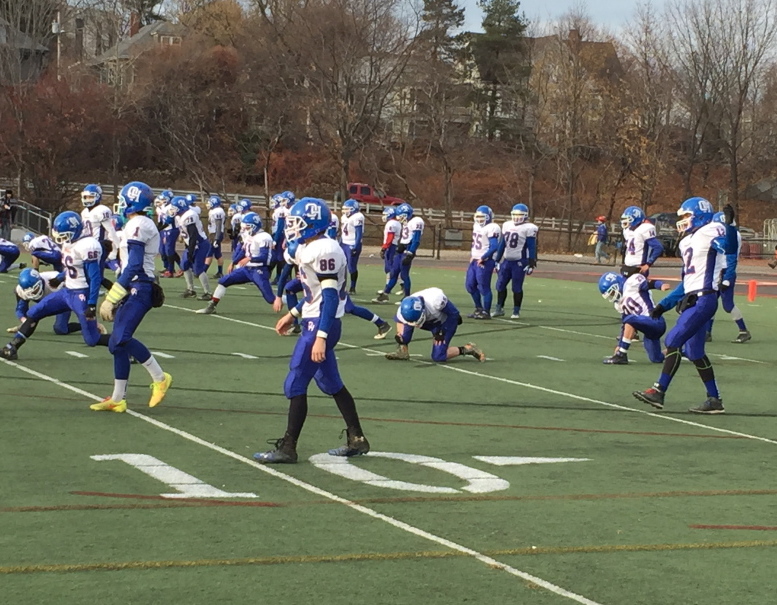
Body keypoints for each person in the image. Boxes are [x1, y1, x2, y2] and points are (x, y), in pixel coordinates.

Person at [254, 197, 370, 464]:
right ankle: (357, 438)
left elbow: (329, 299)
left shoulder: (324, 249)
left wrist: (320, 337)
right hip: (316, 321)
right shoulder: (315, 247)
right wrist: (293, 314)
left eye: (297, 222)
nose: (293, 227)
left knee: (295, 381)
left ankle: (288, 447)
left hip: (320, 325)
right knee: (330, 383)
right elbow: (315, 295)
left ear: (312, 223)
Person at [633, 197, 726, 414]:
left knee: (673, 340)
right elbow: (687, 283)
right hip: (693, 298)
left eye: (686, 216)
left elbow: (727, 247)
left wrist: (728, 230)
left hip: (705, 298)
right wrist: (664, 305)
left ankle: (659, 391)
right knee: (694, 352)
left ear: (699, 215)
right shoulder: (686, 242)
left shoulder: (712, 229)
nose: (682, 220)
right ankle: (714, 399)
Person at [95, 181, 172, 413]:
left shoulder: (138, 224)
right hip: (134, 285)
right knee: (116, 346)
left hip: (141, 286)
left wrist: (112, 296)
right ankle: (118, 398)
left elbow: (135, 265)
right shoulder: (137, 223)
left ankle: (160, 378)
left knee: (121, 338)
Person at [1, 211, 103, 360]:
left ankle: (126, 347)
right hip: (67, 291)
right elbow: (71, 268)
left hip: (80, 294)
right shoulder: (69, 244)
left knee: (92, 339)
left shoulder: (88, 245)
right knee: (34, 313)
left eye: (64, 233)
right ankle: (12, 347)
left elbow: (95, 277)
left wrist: (92, 304)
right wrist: (61, 277)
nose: (61, 238)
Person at [197, 212, 275, 315]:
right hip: (247, 269)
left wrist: (249, 259)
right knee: (223, 281)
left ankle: (295, 305)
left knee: (271, 299)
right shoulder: (249, 236)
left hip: (259, 270)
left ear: (254, 226)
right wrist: (233, 262)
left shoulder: (264, 237)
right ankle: (212, 305)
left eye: (247, 227)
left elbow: (265, 257)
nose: (245, 230)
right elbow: (243, 251)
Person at [386, 287, 486, 362]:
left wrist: (442, 331)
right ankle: (402, 351)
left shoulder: (436, 300)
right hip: (427, 320)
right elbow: (400, 320)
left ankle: (468, 349)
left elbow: (454, 314)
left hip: (444, 322)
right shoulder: (404, 309)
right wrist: (400, 337)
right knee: (404, 337)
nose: (414, 325)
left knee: (438, 357)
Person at [598, 271, 670, 365]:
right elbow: (625, 326)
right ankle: (678, 350)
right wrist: (620, 345)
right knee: (656, 358)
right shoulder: (619, 304)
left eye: (612, 292)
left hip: (655, 321)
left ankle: (622, 356)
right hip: (648, 331)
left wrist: (660, 285)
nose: (612, 295)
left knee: (629, 319)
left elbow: (648, 284)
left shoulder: (631, 283)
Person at [9, 268, 106, 337]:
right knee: (33, 315)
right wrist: (25, 321)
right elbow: (20, 309)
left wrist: (89, 319)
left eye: (35, 289)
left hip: (63, 301)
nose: (32, 293)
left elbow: (74, 298)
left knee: (60, 329)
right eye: (29, 291)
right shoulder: (21, 291)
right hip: (46, 304)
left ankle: (87, 324)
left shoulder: (54, 279)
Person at [706, 208, 751, 344]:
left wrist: (727, 278)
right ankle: (707, 332)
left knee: (728, 305)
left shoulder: (731, 236)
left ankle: (743, 331)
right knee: (710, 302)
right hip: (719, 271)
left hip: (725, 272)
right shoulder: (728, 235)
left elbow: (731, 258)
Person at [373, 202, 424, 303]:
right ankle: (385, 294)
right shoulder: (407, 222)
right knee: (394, 272)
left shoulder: (416, 221)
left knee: (404, 274)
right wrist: (401, 245)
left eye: (400, 216)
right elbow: (406, 236)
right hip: (403, 248)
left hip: (409, 249)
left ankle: (407, 296)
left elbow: (416, 240)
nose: (399, 218)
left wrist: (410, 253)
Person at [494, 203, 537, 319]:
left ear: (525, 215)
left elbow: (532, 247)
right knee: (500, 285)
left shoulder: (529, 228)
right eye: (515, 214)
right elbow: (502, 244)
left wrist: (531, 263)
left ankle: (516, 311)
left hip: (519, 261)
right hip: (507, 260)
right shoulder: (507, 225)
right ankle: (499, 308)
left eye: (520, 214)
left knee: (516, 287)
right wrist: (497, 260)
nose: (517, 217)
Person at [168, 196, 211, 300]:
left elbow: (193, 235)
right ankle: (190, 290)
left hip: (199, 243)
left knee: (198, 268)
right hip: (191, 244)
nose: (172, 210)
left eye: (174, 207)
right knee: (184, 265)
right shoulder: (179, 216)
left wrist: (191, 251)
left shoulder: (189, 215)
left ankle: (208, 293)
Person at [465, 205, 501, 319]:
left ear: (489, 217)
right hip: (475, 259)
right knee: (470, 285)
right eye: (478, 217)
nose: (480, 219)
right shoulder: (476, 226)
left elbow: (494, 246)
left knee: (483, 287)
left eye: (483, 217)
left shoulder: (492, 227)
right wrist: (473, 255)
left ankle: (486, 311)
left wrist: (484, 257)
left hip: (485, 261)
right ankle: (478, 308)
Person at [81, 184, 120, 269]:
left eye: (90, 197)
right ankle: (116, 268)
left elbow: (111, 230)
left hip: (99, 246)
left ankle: (118, 268)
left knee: (96, 274)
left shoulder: (102, 210)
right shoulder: (84, 212)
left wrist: (117, 247)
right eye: (86, 197)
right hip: (88, 246)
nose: (88, 199)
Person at [620, 206, 663, 276]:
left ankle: (659, 284)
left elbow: (658, 248)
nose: (626, 221)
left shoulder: (644, 229)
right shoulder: (627, 230)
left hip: (638, 266)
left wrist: (648, 264)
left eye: (629, 219)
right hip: (627, 265)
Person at [340, 198, 364, 294]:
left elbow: (359, 234)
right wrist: (340, 242)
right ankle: (342, 286)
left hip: (352, 243)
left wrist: (356, 246)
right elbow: (342, 231)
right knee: (341, 265)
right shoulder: (344, 217)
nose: (345, 211)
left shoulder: (358, 216)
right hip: (344, 243)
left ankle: (353, 287)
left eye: (347, 209)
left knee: (351, 266)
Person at [270, 193, 291, 285]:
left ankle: (282, 277)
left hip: (282, 235)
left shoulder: (281, 211)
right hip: (282, 234)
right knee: (280, 258)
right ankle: (281, 277)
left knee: (280, 258)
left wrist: (275, 239)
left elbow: (280, 227)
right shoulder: (281, 210)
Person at [204, 195, 226, 278]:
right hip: (214, 233)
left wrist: (216, 238)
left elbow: (218, 225)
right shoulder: (213, 211)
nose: (207, 205)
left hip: (216, 234)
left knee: (209, 253)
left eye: (209, 203)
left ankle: (204, 271)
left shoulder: (218, 211)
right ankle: (220, 272)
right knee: (218, 254)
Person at [379, 206, 401, 284]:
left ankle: (398, 284)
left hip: (391, 246)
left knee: (389, 266)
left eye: (385, 214)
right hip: (394, 245)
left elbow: (390, 237)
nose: (384, 216)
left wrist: (384, 247)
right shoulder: (396, 223)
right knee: (390, 266)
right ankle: (388, 284)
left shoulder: (391, 223)